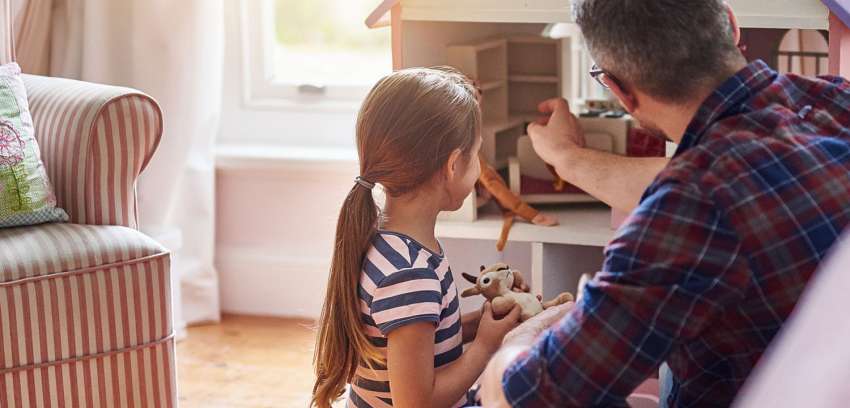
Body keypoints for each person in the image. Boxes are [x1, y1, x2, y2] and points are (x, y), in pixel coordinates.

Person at [480, 0, 850, 406]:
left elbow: (527, 395)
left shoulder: (689, 209)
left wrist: (521, 338)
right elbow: (729, 180)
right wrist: (568, 158)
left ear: (620, 90)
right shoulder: (835, 100)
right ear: (730, 23)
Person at [311, 67, 522, 408]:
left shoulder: (390, 242)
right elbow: (416, 404)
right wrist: (484, 347)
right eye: (477, 156)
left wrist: (483, 324)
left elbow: (427, 339)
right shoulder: (410, 274)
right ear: (453, 166)